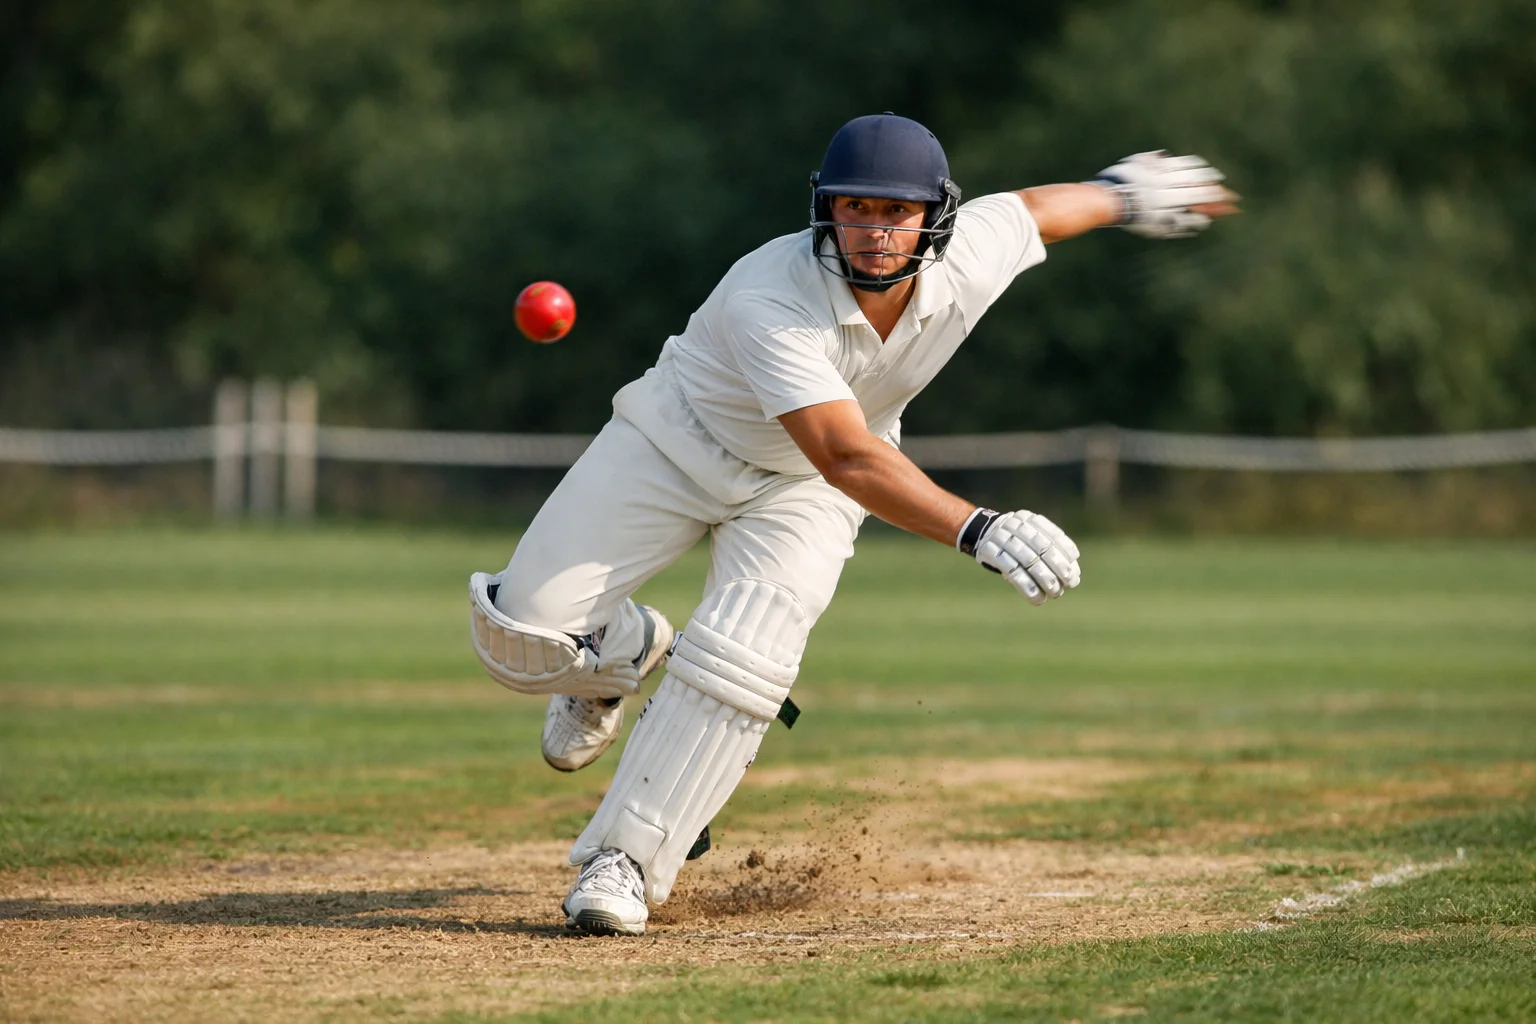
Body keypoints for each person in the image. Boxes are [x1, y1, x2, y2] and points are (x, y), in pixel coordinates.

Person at [469, 114, 1238, 935]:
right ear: (826, 210)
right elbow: (845, 451)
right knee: (517, 636)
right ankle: (620, 655)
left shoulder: (967, 257)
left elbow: (1037, 210)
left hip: (804, 489)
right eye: (856, 209)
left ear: (935, 214)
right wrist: (978, 527)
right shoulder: (770, 292)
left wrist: (1123, 195)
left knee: (747, 648)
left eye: (895, 212)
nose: (874, 231)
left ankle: (624, 860)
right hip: (676, 439)